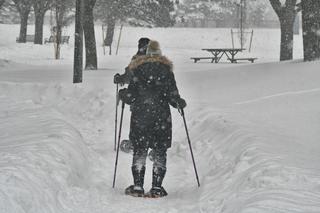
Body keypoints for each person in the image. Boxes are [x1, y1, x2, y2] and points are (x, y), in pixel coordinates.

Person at [118, 40, 186, 198]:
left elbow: (131, 96)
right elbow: (173, 96)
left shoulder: (137, 69)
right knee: (160, 151)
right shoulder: (167, 71)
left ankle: (137, 187)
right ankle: (156, 188)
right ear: (160, 54)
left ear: (146, 54)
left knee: (140, 151)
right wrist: (178, 102)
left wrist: (123, 95)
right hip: (161, 117)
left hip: (140, 116)